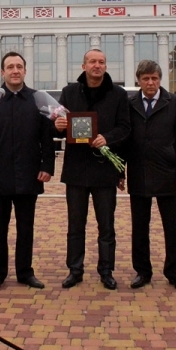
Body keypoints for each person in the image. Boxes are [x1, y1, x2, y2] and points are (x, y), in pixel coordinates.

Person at [0, 52, 55, 291]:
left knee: (25, 228)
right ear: (2, 72)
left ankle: (25, 272)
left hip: (28, 174)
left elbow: (47, 137)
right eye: (10, 67)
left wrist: (47, 166)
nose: (15, 70)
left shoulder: (37, 99)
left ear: (25, 70)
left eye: (19, 66)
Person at [54, 48, 130, 290]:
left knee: (106, 225)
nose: (97, 65)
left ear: (106, 66)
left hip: (104, 170)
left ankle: (106, 270)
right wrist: (57, 125)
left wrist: (107, 138)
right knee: (75, 224)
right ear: (83, 66)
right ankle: (75, 269)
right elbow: (56, 127)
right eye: (92, 62)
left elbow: (126, 128)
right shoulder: (69, 92)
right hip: (76, 169)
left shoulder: (118, 94)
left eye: (101, 62)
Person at [125, 60, 176, 292]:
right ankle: (142, 271)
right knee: (140, 227)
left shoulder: (175, 103)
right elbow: (124, 140)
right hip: (139, 173)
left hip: (168, 173)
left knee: (173, 227)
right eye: (146, 79)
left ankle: (175, 272)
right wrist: (119, 172)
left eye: (154, 78)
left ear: (160, 79)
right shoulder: (130, 103)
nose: (150, 82)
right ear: (138, 80)